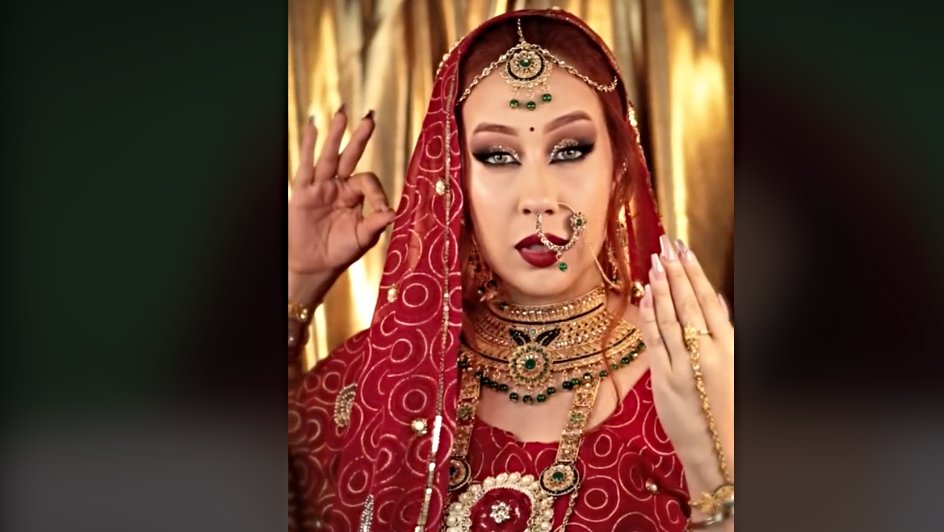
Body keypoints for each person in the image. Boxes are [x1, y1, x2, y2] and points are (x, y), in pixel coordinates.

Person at [288, 9, 733, 531]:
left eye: (570, 150)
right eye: (497, 156)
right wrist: (296, 280)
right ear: (453, 176)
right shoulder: (388, 375)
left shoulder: (700, 373)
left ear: (618, 168)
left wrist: (716, 477)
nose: (538, 197)